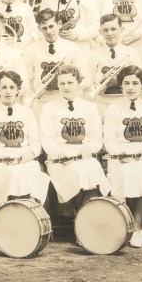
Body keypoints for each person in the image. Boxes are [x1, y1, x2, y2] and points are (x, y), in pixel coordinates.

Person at [102, 66, 142, 248]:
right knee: (127, 173)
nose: (130, 87)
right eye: (126, 83)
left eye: (135, 83)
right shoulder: (113, 109)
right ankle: (139, 226)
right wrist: (120, 154)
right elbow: (109, 139)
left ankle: (135, 226)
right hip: (121, 155)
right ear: (121, 86)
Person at [39, 64, 111, 213]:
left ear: (78, 83)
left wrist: (89, 149)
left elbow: (96, 138)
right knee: (77, 172)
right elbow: (47, 140)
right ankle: (85, 222)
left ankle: (83, 220)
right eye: (62, 83)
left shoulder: (89, 107)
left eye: (70, 83)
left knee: (90, 170)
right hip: (60, 161)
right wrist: (59, 154)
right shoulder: (49, 108)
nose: (66, 87)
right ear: (57, 86)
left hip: (84, 157)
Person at [0, 71, 49, 208]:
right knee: (13, 173)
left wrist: (28, 155)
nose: (8, 91)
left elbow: (36, 143)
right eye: (4, 87)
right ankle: (12, 213)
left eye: (12, 87)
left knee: (28, 173)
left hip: (25, 161)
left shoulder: (27, 113)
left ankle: (29, 215)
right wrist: (5, 158)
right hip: (1, 164)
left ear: (18, 89)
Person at [22, 9, 85, 113]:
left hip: (67, 103)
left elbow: (85, 78)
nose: (49, 31)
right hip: (42, 103)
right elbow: (27, 81)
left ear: (59, 24)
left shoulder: (72, 48)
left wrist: (69, 85)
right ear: (39, 28)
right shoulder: (30, 51)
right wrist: (33, 93)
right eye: (44, 28)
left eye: (51, 26)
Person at [89, 13, 142, 115]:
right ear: (100, 32)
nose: (110, 33)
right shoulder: (94, 55)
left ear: (121, 29)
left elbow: (141, 81)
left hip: (126, 103)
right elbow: (90, 83)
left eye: (113, 29)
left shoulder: (132, 53)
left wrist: (118, 81)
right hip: (101, 105)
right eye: (105, 30)